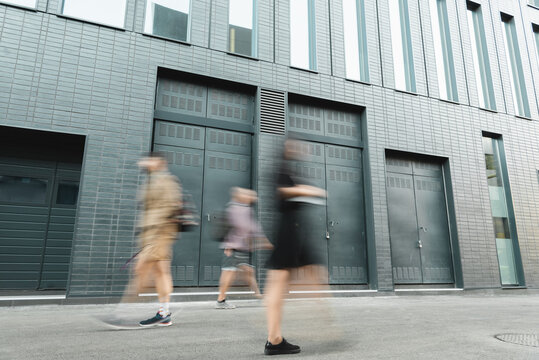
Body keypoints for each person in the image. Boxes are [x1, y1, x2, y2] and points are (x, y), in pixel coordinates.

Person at [263, 139, 327, 356]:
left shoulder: (286, 168)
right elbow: (283, 192)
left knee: (278, 287)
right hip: (288, 231)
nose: (301, 149)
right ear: (287, 148)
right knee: (277, 287)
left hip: (290, 230)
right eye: (296, 146)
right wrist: (309, 191)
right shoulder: (281, 168)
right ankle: (274, 340)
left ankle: (275, 338)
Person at [132, 152, 182, 327]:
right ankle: (164, 312)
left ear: (159, 162)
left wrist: (155, 236)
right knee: (160, 272)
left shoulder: (166, 180)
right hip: (152, 234)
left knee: (142, 270)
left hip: (159, 234)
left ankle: (122, 311)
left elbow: (171, 207)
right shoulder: (150, 181)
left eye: (148, 159)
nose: (143, 162)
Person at [215, 187, 269, 309]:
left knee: (249, 272)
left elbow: (252, 228)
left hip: (240, 248)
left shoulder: (243, 208)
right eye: (250, 195)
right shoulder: (237, 208)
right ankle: (220, 301)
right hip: (232, 247)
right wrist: (263, 241)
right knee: (228, 273)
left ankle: (258, 295)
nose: (253, 197)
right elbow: (249, 227)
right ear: (242, 196)